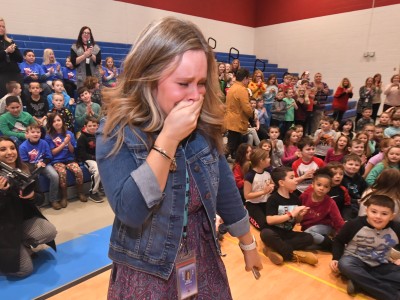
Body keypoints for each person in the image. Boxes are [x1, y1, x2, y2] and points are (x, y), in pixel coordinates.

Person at [96, 17, 262, 299]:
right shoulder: (118, 132)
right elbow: (131, 212)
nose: (195, 96)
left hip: (202, 253)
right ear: (148, 77)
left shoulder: (203, 124)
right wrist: (168, 139)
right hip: (147, 267)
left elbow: (224, 191)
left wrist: (248, 243)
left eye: (200, 83)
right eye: (184, 83)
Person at [0, 136, 57, 277]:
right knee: (24, 270)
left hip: (21, 222)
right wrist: (2, 193)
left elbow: (40, 198)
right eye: (3, 149)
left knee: (49, 231)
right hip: (4, 228)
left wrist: (32, 196)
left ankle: (21, 244)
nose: (9, 152)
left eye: (12, 148)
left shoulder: (27, 169)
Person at [331, 194, 400, 299]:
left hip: (381, 264)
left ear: (392, 216)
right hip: (355, 261)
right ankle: (393, 295)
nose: (378, 216)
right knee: (344, 264)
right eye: (374, 212)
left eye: (384, 214)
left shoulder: (397, 228)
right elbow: (338, 240)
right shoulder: (354, 224)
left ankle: (359, 283)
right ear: (366, 211)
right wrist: (336, 258)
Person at [260, 166, 317, 266]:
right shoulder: (273, 199)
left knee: (309, 238)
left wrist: (300, 215)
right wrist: (291, 214)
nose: (296, 180)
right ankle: (294, 256)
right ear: (281, 183)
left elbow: (298, 220)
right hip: (273, 232)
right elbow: (269, 220)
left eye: (295, 177)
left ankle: (273, 250)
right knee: (266, 234)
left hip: (287, 234)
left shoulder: (295, 199)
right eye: (291, 178)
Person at [45, 113, 87, 205]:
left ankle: (80, 193)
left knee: (78, 171)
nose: (56, 123)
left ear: (62, 121)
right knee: (62, 173)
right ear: (51, 123)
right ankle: (64, 196)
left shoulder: (69, 133)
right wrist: (63, 143)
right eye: (54, 121)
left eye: (58, 120)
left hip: (69, 158)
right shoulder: (49, 136)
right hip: (56, 160)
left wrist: (68, 143)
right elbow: (52, 152)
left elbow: (72, 151)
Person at [300, 168, 345, 251]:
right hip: (306, 227)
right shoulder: (305, 196)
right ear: (312, 185)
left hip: (324, 227)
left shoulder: (330, 202)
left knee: (307, 234)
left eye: (326, 186)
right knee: (306, 245)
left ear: (329, 189)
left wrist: (342, 237)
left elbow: (338, 221)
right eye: (319, 185)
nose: (321, 188)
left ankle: (331, 245)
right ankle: (321, 245)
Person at [19, 124, 60, 209]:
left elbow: (49, 157)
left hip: (43, 165)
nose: (36, 134)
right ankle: (35, 203)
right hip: (30, 168)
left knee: (55, 176)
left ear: (41, 133)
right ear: (27, 134)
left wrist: (43, 163)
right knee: (33, 179)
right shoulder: (23, 147)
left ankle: (53, 199)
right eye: (33, 132)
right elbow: (24, 164)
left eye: (38, 132)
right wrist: (35, 165)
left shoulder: (44, 143)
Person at [225, 68, 253, 159]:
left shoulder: (232, 87)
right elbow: (246, 108)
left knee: (236, 144)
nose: (248, 81)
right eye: (248, 79)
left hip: (230, 119)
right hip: (238, 120)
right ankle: (220, 163)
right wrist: (252, 114)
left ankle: (237, 161)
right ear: (245, 78)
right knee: (232, 145)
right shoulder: (242, 89)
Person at [244, 148, 274, 230]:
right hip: (253, 204)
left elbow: (272, 183)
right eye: (268, 157)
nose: (270, 159)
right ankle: (247, 213)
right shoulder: (250, 176)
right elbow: (247, 195)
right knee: (263, 226)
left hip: (266, 202)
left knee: (274, 222)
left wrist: (271, 187)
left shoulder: (268, 172)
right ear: (261, 160)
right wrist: (263, 192)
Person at [77, 117, 103, 203]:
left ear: (98, 126)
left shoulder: (100, 135)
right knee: (97, 171)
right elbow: (82, 154)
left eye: (94, 125)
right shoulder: (82, 137)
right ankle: (93, 192)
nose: (92, 127)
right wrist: (94, 158)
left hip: (99, 157)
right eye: (90, 125)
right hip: (88, 159)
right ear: (85, 126)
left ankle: (105, 187)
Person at [0, 18, 23, 100]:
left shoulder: (10, 41)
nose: (2, 28)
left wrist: (13, 51)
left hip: (14, 73)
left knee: (17, 98)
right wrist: (6, 51)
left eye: (3, 26)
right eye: (0, 26)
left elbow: (20, 59)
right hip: (2, 74)